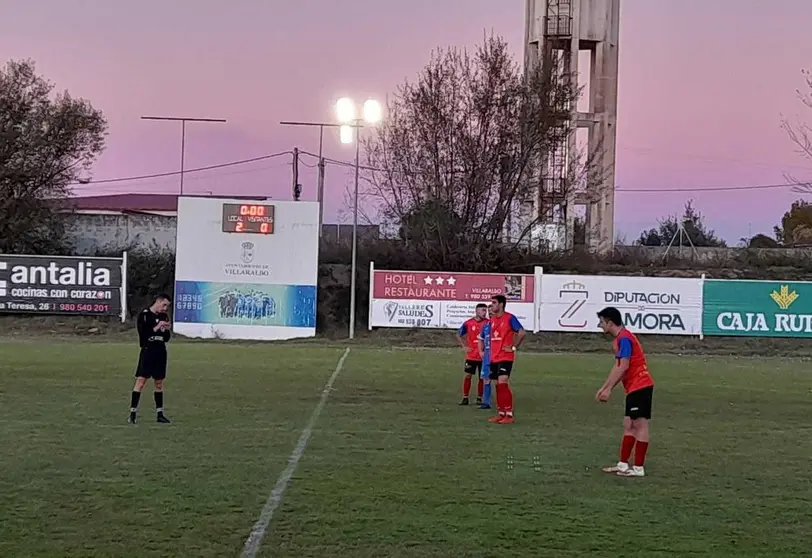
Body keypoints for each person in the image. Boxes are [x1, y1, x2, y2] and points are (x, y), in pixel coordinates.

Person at [595, 306, 654, 477]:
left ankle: (638, 468)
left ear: (610, 322)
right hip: (634, 387)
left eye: (601, 322)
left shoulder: (625, 339)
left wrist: (608, 390)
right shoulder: (621, 339)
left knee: (640, 425)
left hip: (641, 385)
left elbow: (624, 366)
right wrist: (605, 388)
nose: (600, 326)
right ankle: (622, 465)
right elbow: (619, 367)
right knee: (629, 425)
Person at [129, 293, 173, 424]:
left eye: (167, 306)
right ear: (158, 301)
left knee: (159, 383)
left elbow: (166, 338)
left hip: (160, 351)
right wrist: (157, 327)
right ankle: (133, 413)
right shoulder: (144, 315)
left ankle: (160, 414)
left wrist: (165, 330)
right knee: (141, 381)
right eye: (164, 305)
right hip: (148, 351)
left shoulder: (163, 316)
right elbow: (143, 335)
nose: (165, 308)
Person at [485, 295, 526, 424]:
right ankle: (501, 412)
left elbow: (522, 332)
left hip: (505, 356)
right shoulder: (492, 320)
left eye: (494, 303)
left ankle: (509, 414)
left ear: (501, 304)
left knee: (503, 383)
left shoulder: (509, 318)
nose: (491, 305)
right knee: (498, 384)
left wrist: (513, 347)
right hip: (494, 356)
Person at [456, 304, 488, 405]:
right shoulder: (468, 323)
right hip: (471, 356)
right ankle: (465, 397)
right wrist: (464, 346)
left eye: (485, 311)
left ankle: (479, 397)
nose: (485, 313)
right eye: (483, 310)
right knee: (468, 375)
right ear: (477, 311)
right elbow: (458, 334)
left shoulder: (488, 323)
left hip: (483, 355)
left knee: (482, 377)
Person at [477, 313, 493, 410]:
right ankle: (486, 402)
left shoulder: (500, 325)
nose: (490, 313)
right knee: (486, 379)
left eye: (492, 310)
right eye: (489, 311)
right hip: (487, 356)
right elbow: (480, 338)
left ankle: (503, 404)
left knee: (499, 380)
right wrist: (480, 351)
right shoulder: (486, 326)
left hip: (497, 356)